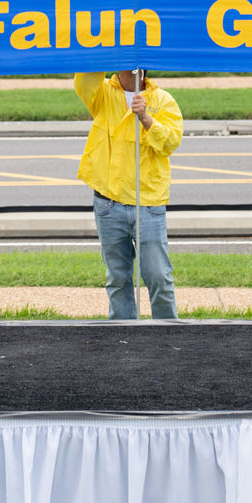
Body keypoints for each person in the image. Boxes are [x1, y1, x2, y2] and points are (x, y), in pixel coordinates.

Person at [73, 69, 184, 319]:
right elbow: (84, 77)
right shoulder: (102, 94)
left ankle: (168, 334)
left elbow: (171, 142)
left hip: (147, 203)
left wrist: (146, 118)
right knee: (118, 279)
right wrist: (101, 52)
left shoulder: (163, 100)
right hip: (108, 203)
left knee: (158, 276)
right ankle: (122, 335)